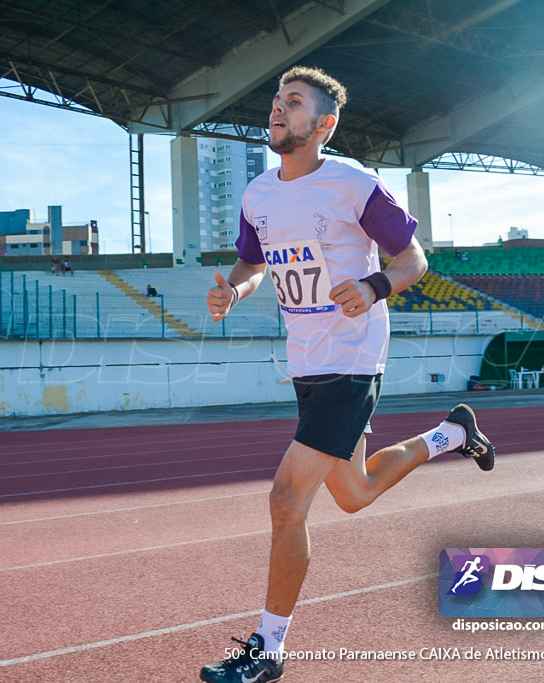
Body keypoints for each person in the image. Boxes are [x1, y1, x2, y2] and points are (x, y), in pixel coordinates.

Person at [200, 66, 496, 683]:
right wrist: (234, 288)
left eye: (294, 102)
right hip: (306, 359)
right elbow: (252, 263)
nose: (278, 109)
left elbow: (413, 258)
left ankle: (268, 649)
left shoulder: (354, 184)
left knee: (286, 500)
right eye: (277, 100)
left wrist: (373, 284)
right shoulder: (258, 194)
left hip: (353, 355)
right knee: (353, 493)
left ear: (324, 124)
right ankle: (451, 435)